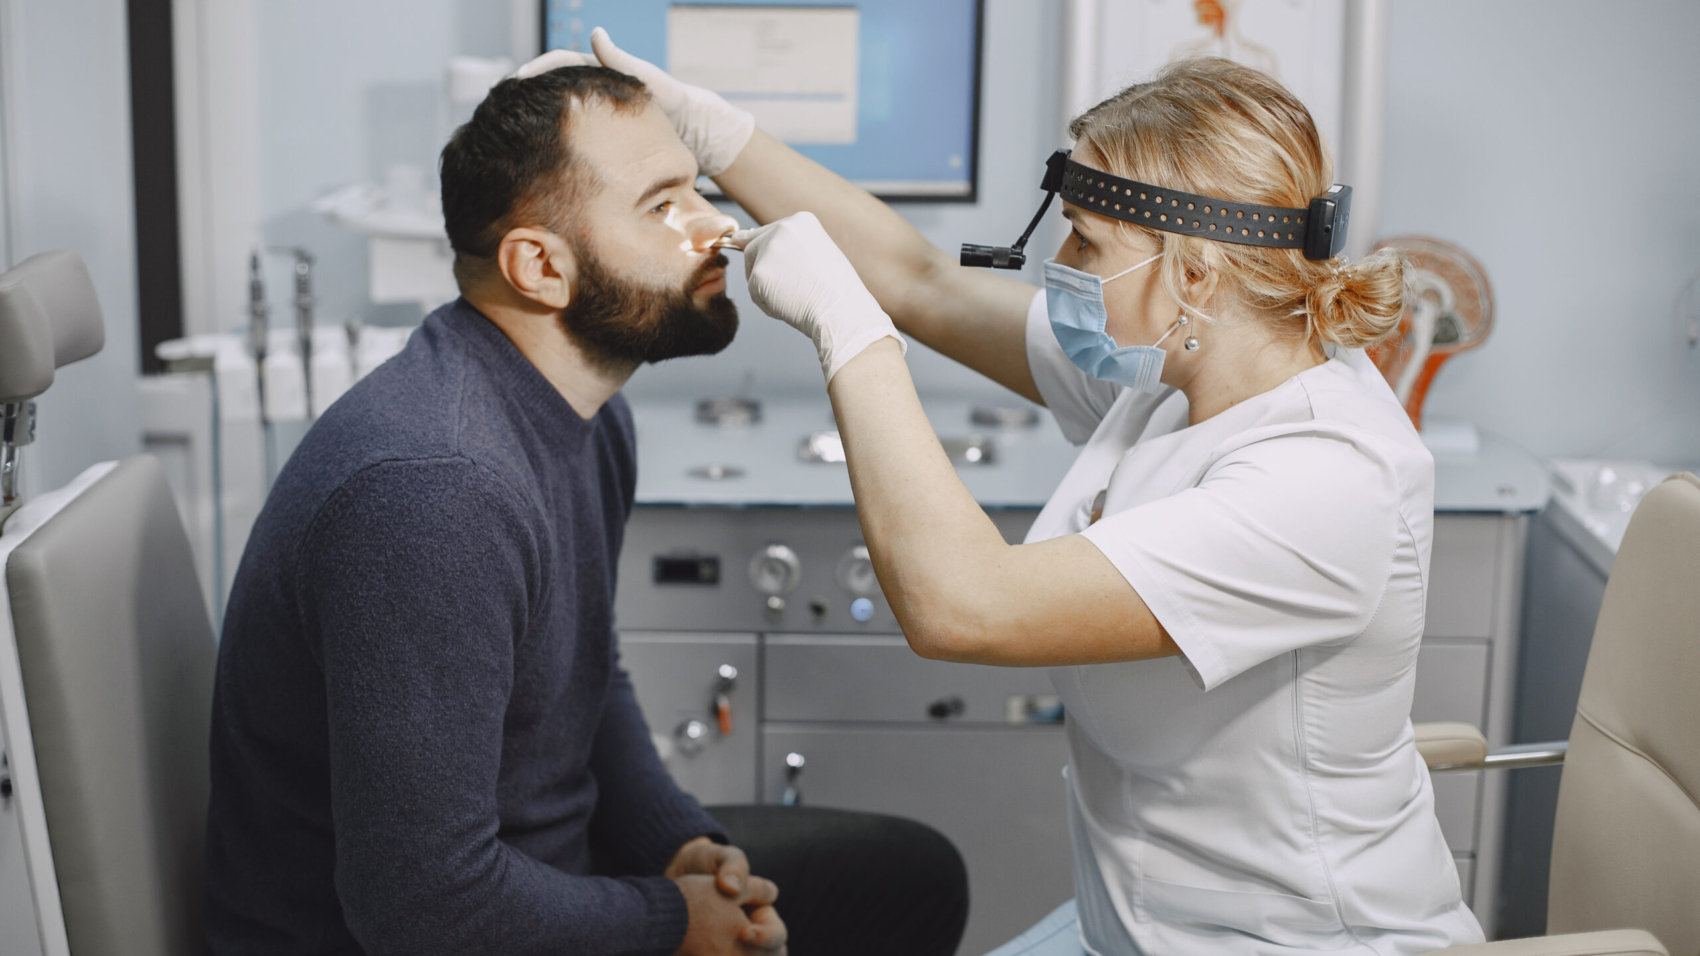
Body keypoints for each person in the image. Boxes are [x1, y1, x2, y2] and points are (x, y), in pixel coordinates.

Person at [553, 30, 1488, 956]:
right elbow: (923, 284)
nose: (1062, 270)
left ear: (1195, 275)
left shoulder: (1320, 483)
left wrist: (843, 327)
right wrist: (714, 137)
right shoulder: (1173, 371)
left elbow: (964, 607)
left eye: (1084, 243)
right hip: (1140, 926)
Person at [205, 66, 966, 956]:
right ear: (540, 266)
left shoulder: (584, 416)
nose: (718, 226)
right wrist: (672, 922)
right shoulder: (435, 490)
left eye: (698, 189)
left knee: (914, 879)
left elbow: (587, 678)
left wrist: (683, 847)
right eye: (662, 205)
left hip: (547, 877)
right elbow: (421, 910)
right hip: (419, 933)